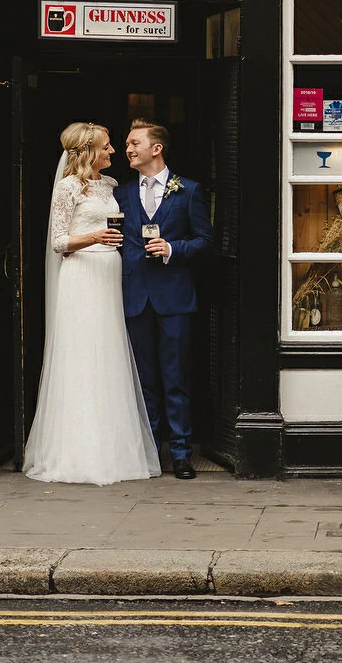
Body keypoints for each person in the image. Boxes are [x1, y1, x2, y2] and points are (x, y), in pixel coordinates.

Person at [23, 122, 160, 485]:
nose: (113, 151)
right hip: (82, 274)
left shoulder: (111, 185)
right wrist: (95, 237)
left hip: (108, 273)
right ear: (87, 151)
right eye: (106, 146)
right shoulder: (67, 188)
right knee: (82, 355)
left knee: (109, 353)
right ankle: (76, 452)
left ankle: (114, 449)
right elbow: (58, 242)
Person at [116, 119, 213, 480]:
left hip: (175, 298)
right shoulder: (122, 193)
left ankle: (182, 453)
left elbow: (206, 240)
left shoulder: (188, 190)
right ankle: (149, 451)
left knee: (175, 377)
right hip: (135, 295)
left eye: (134, 142)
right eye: (126, 143)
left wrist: (174, 248)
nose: (128, 149)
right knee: (144, 380)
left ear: (156, 149)